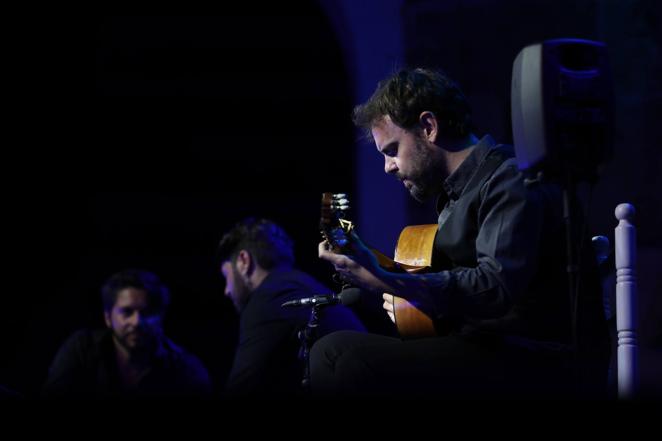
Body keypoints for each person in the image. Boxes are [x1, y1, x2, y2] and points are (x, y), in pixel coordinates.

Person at [310, 67, 610, 398]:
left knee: (342, 358)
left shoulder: (510, 179)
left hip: (539, 359)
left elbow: (493, 289)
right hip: (491, 349)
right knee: (331, 345)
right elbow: (455, 289)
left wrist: (382, 278)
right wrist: (373, 268)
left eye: (392, 150)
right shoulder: (456, 195)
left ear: (428, 127)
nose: (388, 167)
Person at [217, 217, 365, 398]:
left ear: (243, 261)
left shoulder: (268, 299)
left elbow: (240, 389)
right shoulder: (302, 284)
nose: (226, 291)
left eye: (226, 277)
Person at [42, 269, 212, 399]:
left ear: (161, 316)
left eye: (147, 313)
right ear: (108, 317)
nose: (137, 321)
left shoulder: (186, 369)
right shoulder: (82, 349)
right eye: (127, 312)